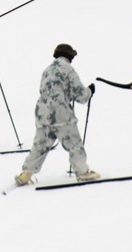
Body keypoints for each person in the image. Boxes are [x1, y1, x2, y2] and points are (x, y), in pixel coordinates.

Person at [14, 44, 99, 185]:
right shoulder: (68, 70)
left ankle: (26, 174)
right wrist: (89, 90)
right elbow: (81, 96)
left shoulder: (46, 70)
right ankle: (83, 172)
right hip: (61, 115)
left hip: (42, 114)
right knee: (74, 144)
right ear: (69, 56)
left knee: (40, 145)